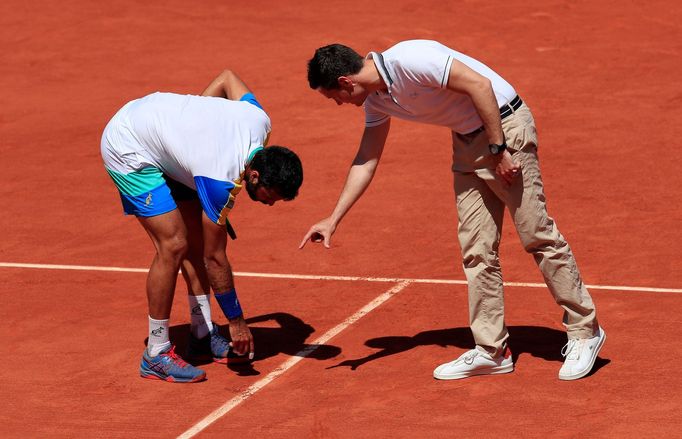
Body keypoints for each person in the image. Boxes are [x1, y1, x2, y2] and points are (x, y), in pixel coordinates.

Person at [300, 40, 605, 381]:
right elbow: (367, 160)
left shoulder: (411, 59)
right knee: (476, 249)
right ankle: (493, 351)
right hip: (466, 143)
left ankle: (585, 331)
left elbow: (480, 85)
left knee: (537, 235)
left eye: (334, 97)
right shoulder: (376, 100)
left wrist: (499, 149)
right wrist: (333, 218)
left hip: (504, 129)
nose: (340, 104)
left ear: (345, 82)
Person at [101, 70, 303, 383]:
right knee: (174, 244)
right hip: (129, 146)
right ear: (254, 176)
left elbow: (227, 78)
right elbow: (216, 258)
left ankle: (202, 332)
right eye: (270, 197)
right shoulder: (219, 179)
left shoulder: (260, 121)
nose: (270, 204)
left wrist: (192, 130)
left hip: (159, 133)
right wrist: (236, 321)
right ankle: (155, 353)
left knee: (195, 239)